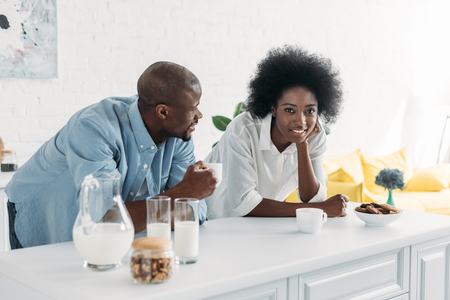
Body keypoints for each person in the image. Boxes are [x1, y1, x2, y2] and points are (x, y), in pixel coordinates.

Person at [6, 61, 217, 249]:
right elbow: (102, 221)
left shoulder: (179, 134)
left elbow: (194, 212)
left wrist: (165, 206)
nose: (199, 115)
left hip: (109, 234)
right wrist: (181, 193)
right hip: (43, 211)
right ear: (163, 112)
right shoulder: (94, 128)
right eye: (194, 108)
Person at [204, 45, 348, 219]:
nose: (301, 121)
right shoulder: (244, 129)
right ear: (273, 108)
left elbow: (313, 198)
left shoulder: (314, 136)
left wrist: (302, 145)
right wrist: (319, 210)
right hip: (216, 224)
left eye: (309, 111)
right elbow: (244, 203)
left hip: (264, 226)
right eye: (289, 110)